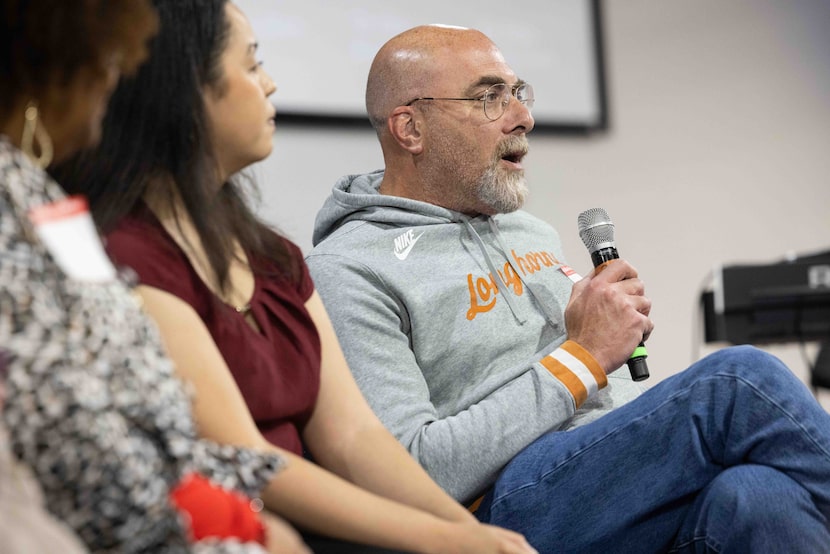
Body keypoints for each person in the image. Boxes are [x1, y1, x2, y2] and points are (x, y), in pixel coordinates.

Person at [304, 24, 830, 553]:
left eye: (517, 92)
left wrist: (608, 335)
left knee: (757, 498)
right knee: (736, 381)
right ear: (410, 129)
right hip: (499, 508)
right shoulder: (348, 268)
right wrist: (583, 357)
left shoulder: (529, 231)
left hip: (609, 475)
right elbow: (413, 469)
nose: (523, 118)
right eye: (490, 97)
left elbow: (592, 376)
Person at [54, 2, 537, 554]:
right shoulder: (125, 256)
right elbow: (245, 458)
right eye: (252, 63)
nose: (270, 83)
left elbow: (355, 437)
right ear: (184, 88)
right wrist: (442, 540)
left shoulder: (274, 257)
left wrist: (474, 537)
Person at [0, 1, 310, 552]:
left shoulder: (38, 195)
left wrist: (246, 512)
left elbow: (149, 419)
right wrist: (238, 529)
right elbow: (77, 449)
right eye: (108, 58)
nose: (114, 79)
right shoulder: (33, 210)